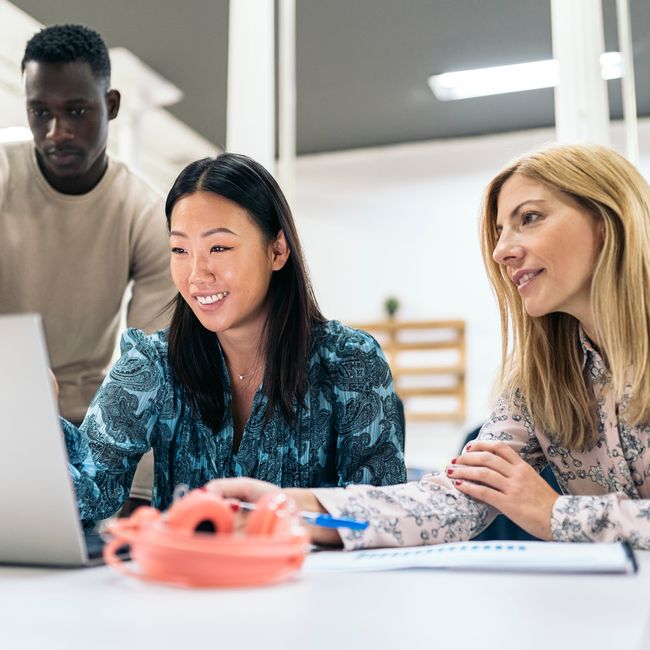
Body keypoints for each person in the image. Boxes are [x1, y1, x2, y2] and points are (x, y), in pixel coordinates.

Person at [206, 143, 650, 551]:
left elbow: (544, 512)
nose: (501, 251)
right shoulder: (541, 381)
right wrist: (293, 509)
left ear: (606, 218)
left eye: (529, 218)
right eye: (499, 230)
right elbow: (457, 499)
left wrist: (555, 514)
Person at [63, 152, 406, 523]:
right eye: (179, 250)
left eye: (219, 248)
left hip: (310, 581)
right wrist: (34, 423)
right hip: (184, 579)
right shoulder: (152, 364)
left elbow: (381, 515)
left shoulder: (350, 362)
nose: (196, 274)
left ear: (277, 250)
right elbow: (89, 493)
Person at [0, 24, 176, 506]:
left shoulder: (146, 214)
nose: (57, 133)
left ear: (111, 105)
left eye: (76, 111)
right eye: (41, 113)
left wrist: (137, 499)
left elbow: (149, 372)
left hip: (86, 431)